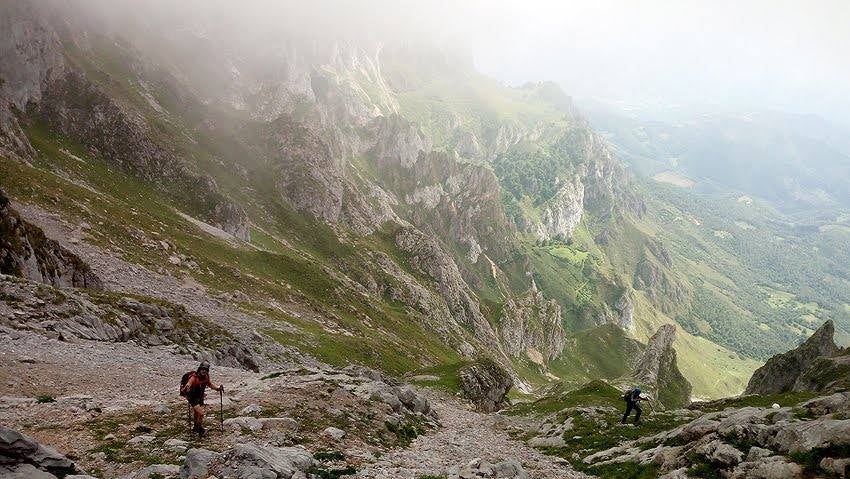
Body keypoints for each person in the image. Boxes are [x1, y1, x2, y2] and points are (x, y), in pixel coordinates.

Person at [180, 361, 224, 436]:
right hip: (192, 397)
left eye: (206, 370)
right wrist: (186, 388)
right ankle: (199, 429)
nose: (204, 371)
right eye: (203, 369)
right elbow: (188, 385)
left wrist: (217, 388)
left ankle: (195, 428)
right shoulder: (194, 378)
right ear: (199, 369)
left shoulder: (206, 377)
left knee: (197, 413)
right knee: (201, 413)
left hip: (200, 396)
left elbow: (209, 384)